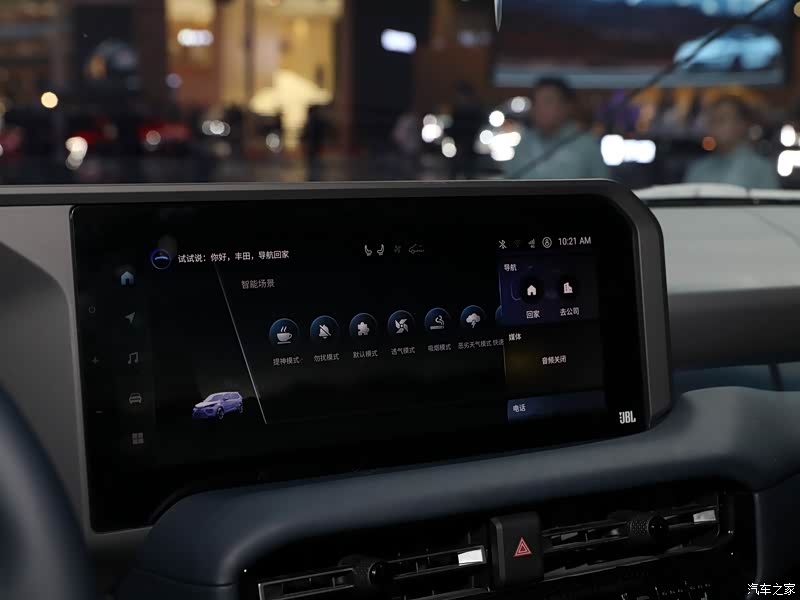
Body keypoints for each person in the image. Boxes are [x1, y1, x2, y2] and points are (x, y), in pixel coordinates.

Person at [503, 77, 607, 180]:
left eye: (547, 101)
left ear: (566, 107)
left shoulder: (587, 145)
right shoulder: (524, 143)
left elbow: (603, 186)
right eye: (536, 102)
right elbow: (509, 179)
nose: (540, 108)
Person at [684, 95, 779, 189]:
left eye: (721, 120)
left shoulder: (760, 168)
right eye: (712, 121)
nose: (714, 127)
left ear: (741, 124)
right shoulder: (698, 168)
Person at [447, 81, 485, 179]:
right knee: (460, 166)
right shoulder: (460, 108)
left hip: (467, 142)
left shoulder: (470, 109)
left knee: (466, 166)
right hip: (461, 142)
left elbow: (472, 125)